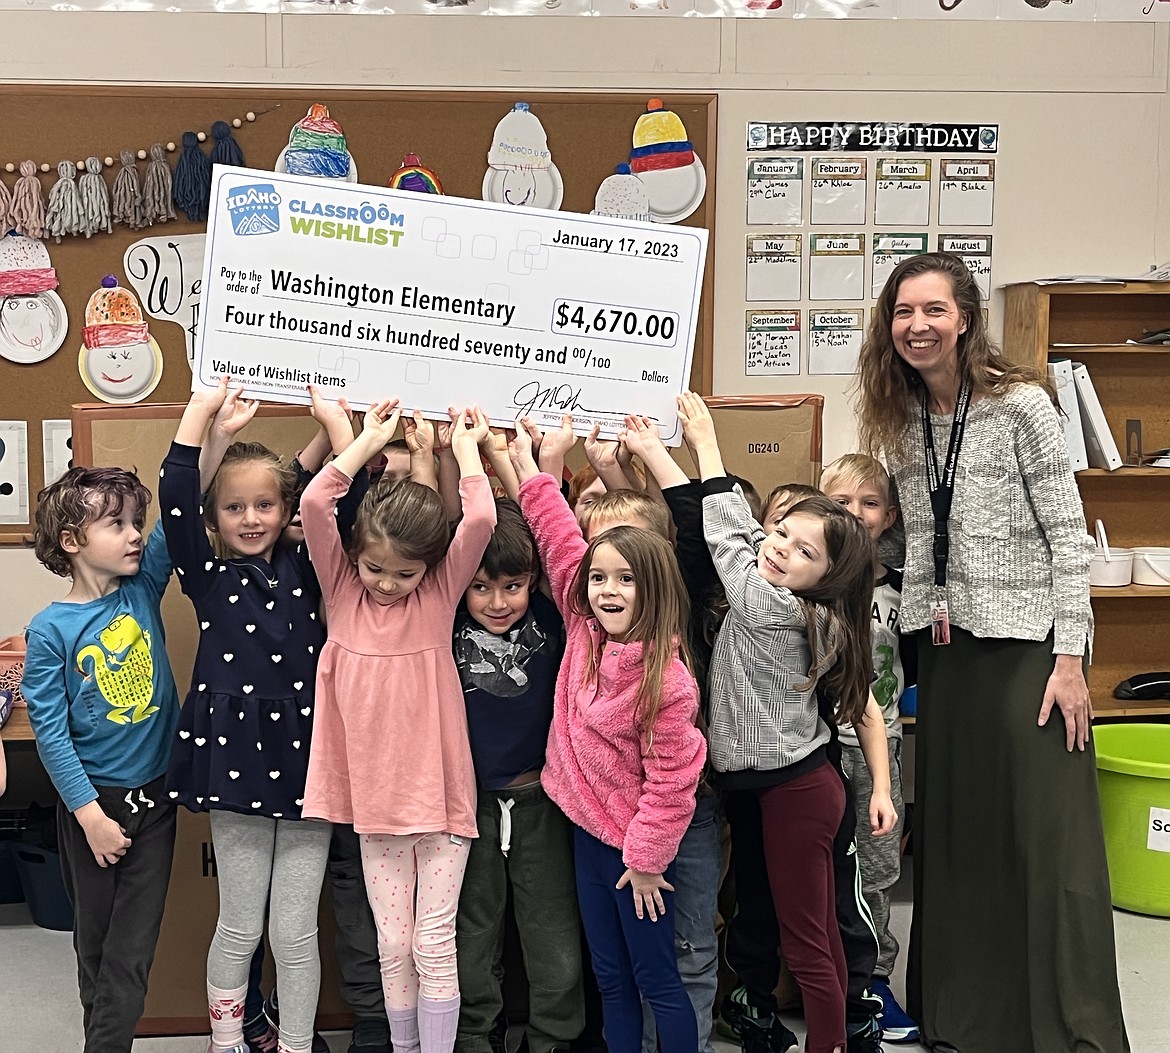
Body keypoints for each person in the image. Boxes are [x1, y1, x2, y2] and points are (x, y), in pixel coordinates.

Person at [854, 251, 1128, 1053]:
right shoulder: (901, 415)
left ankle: (1067, 1026)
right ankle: (963, 1017)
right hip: (946, 654)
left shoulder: (1023, 407)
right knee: (960, 840)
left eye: (933, 310)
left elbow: (1069, 540)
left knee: (1043, 839)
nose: (917, 326)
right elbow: (905, 533)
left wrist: (1070, 659)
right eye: (903, 312)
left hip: (1030, 653)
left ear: (966, 318)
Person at [678, 391, 896, 1053]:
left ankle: (827, 1044)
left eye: (802, 552)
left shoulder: (779, 610)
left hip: (795, 790)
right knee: (813, 929)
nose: (778, 551)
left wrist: (705, 444)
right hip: (773, 786)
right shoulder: (784, 590)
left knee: (809, 938)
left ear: (826, 576)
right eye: (779, 534)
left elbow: (726, 537)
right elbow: (742, 538)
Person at [298, 397, 496, 1053]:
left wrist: (464, 451)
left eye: (404, 573)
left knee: (432, 939)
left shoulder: (438, 596)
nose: (385, 584)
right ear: (355, 555)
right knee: (391, 940)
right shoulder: (343, 588)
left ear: (429, 567)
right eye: (375, 567)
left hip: (440, 799)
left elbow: (483, 517)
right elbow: (313, 507)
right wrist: (362, 440)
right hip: (376, 804)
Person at [508, 422, 706, 1053]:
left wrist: (646, 864)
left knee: (656, 979)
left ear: (654, 586)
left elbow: (675, 783)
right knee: (611, 978)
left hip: (635, 858)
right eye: (600, 579)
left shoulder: (666, 680)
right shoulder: (582, 626)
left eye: (625, 579)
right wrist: (540, 467)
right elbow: (563, 541)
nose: (608, 590)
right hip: (587, 838)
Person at [162, 380, 339, 1053]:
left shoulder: (311, 562)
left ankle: (294, 1042)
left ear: (286, 508)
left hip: (306, 757)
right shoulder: (206, 572)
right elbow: (177, 500)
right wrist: (202, 418)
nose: (251, 517)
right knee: (239, 923)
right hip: (233, 754)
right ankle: (228, 1040)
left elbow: (325, 495)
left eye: (265, 504)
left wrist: (328, 427)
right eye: (234, 507)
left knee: (294, 929)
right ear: (216, 519)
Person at [22, 465, 179, 1053]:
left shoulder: (141, 589)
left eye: (135, 521)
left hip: (156, 802)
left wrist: (208, 428)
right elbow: (52, 736)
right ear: (72, 539)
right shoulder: (51, 630)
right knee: (96, 949)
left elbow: (181, 504)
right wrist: (90, 816)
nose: (135, 533)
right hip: (93, 809)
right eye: (116, 524)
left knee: (129, 956)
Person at [452, 498, 584, 1053]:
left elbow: (562, 551)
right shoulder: (446, 618)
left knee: (552, 933)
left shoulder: (554, 619)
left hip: (542, 802)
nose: (498, 602)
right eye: (481, 587)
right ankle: (476, 1032)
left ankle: (554, 1036)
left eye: (513, 586)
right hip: (469, 806)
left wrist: (533, 465)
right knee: (471, 934)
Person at [819, 454, 918, 1043]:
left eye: (870, 502)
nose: (854, 514)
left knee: (877, 869)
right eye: (840, 502)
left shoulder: (903, 588)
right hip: (819, 750)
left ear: (890, 517)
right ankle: (828, 978)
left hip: (881, 751)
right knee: (826, 869)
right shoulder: (806, 581)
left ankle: (874, 981)